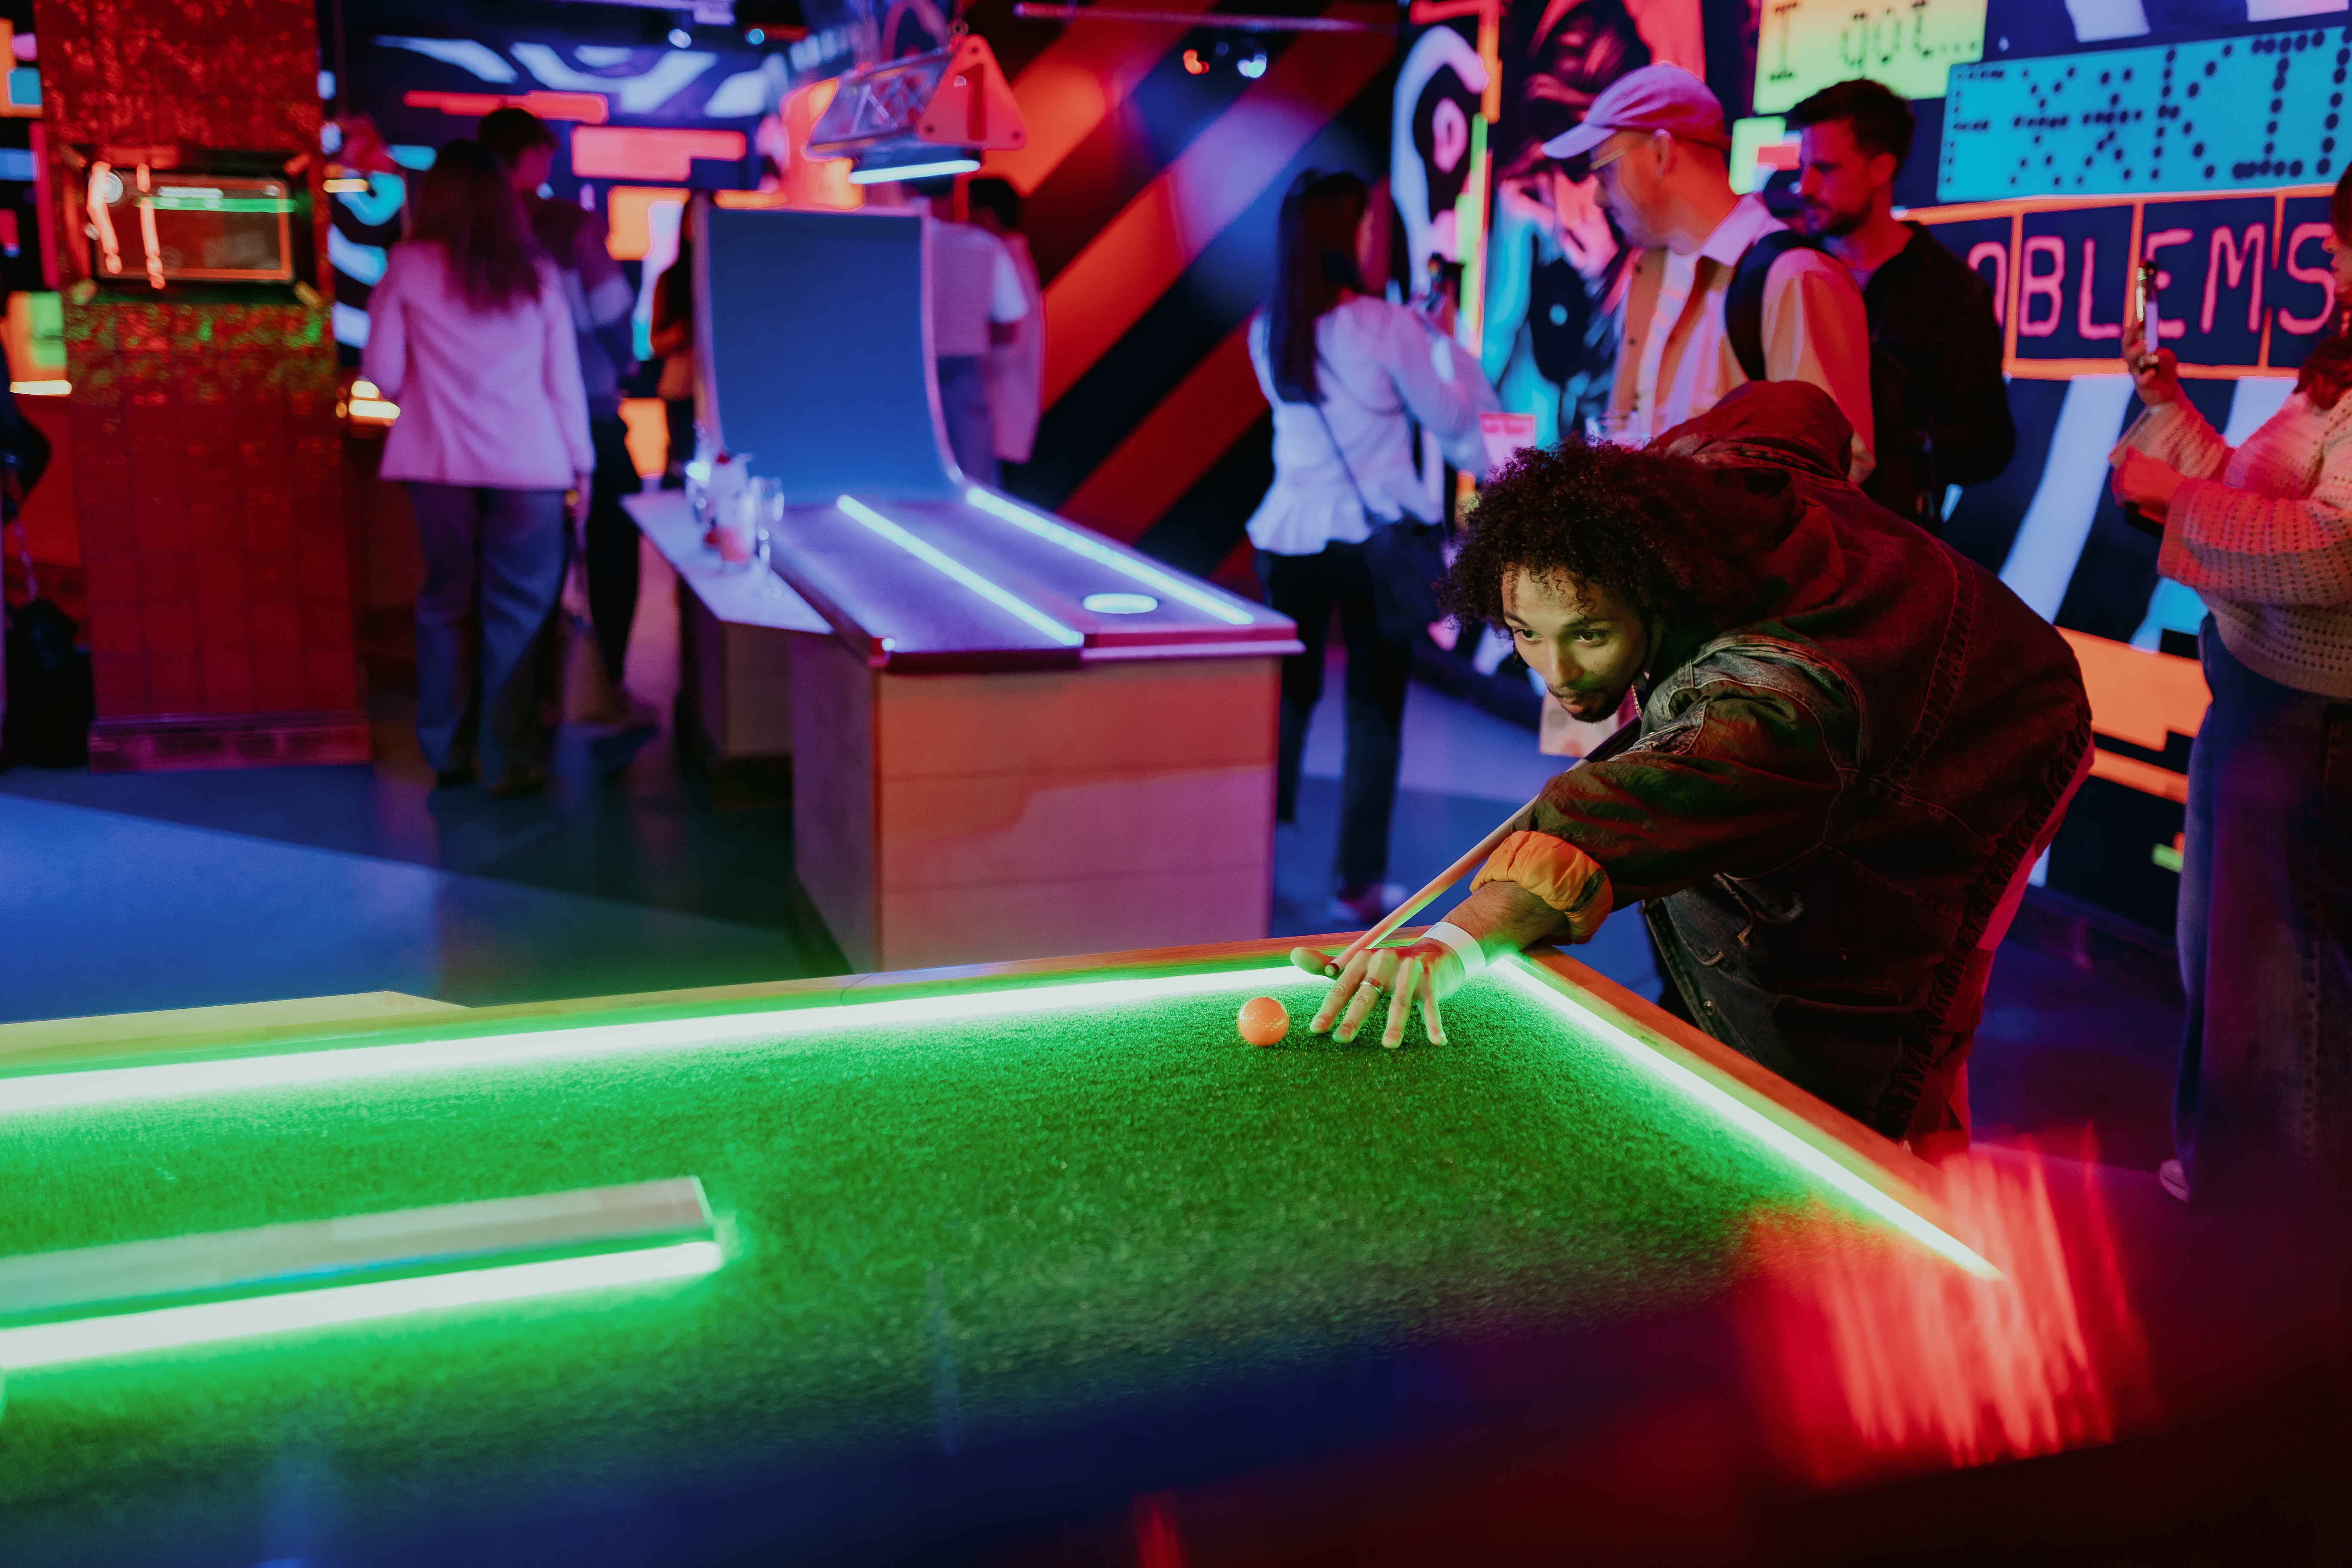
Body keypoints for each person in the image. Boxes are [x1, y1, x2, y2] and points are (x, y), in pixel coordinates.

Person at [1300, 383, 2089, 1155]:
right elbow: (1793, 404)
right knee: (1734, 856)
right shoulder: (1691, 482)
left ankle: (1921, 1185)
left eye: (1590, 633)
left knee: (1899, 1008)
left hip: (2010, 727)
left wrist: (1454, 942)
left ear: (1650, 587)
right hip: (1875, 691)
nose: (1558, 671)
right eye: (1526, 633)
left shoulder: (1763, 710)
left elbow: (1625, 808)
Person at [2110, 164, 2352, 1213]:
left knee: (2284, 988)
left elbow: (2330, 558)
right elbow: (2241, 496)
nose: (2330, 259)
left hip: (2309, 725)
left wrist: (2174, 500)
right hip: (2258, 703)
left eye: (2342, 241)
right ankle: (2233, 1186)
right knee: (2232, 971)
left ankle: (2275, 1232)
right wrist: (2164, 406)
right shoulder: (2332, 376)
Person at [1247, 168, 1500, 926]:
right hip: (1374, 538)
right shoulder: (1386, 326)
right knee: (1374, 713)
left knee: (1285, 703)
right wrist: (1440, 340)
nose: (1373, 236)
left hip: (1289, 532)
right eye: (1365, 224)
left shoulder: (1270, 327)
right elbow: (1452, 416)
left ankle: (1252, 857)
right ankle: (1356, 883)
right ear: (1347, 234)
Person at [362, 139, 593, 796]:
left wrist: (430, 397)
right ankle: (510, 759)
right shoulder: (537, 274)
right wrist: (584, 467)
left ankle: (446, 753)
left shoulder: (406, 265)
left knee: (445, 606)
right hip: (532, 468)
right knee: (518, 614)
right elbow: (563, 385)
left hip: (437, 465)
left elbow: (380, 374)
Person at [1542, 64, 1875, 482]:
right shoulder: (1646, 277)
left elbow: (1840, 472)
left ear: (1662, 153)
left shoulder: (1794, 277)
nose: (1598, 196)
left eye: (1605, 170)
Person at [1785, 77, 2014, 530]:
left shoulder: (1953, 289)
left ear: (1881, 169)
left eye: (1825, 169)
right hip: (1788, 538)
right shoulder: (1785, 272)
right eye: (1803, 167)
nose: (1805, 187)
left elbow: (1990, 444)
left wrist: (1899, 443)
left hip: (1897, 548)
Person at [478, 108, 646, 693]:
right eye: (545, 156)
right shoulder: (569, 225)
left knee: (514, 574)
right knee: (612, 549)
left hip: (495, 428)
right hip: (586, 412)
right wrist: (627, 360)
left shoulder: (462, 233)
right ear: (528, 158)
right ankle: (606, 685)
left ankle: (532, 700)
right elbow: (611, 314)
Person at [914, 178, 1029, 487]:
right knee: (972, 490)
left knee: (907, 489)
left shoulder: (891, 243)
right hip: (966, 380)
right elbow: (1010, 326)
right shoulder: (985, 247)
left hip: (905, 374)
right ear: (955, 193)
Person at [965, 177, 1044, 478]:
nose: (964, 222)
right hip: (998, 423)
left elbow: (1009, 345)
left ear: (986, 217)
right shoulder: (1011, 262)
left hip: (1000, 424)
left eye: (969, 211)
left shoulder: (1004, 264)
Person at [649, 236, 696, 490]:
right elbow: (655, 342)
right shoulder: (670, 278)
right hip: (681, 389)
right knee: (681, 467)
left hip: (723, 390)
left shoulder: (730, 273)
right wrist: (680, 333)